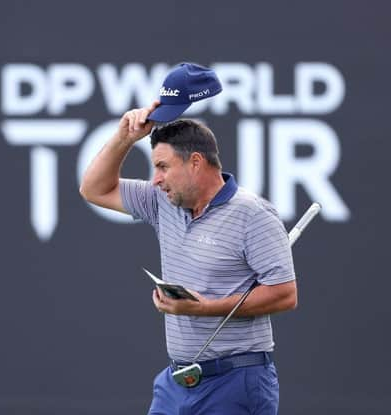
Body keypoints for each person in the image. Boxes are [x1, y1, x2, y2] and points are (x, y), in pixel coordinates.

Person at [79, 63, 297, 415]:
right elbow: (93, 189)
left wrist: (204, 308)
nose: (155, 179)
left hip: (237, 379)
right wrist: (125, 138)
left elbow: (285, 294)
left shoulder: (253, 214)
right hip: (176, 380)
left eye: (163, 167)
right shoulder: (162, 202)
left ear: (195, 163)